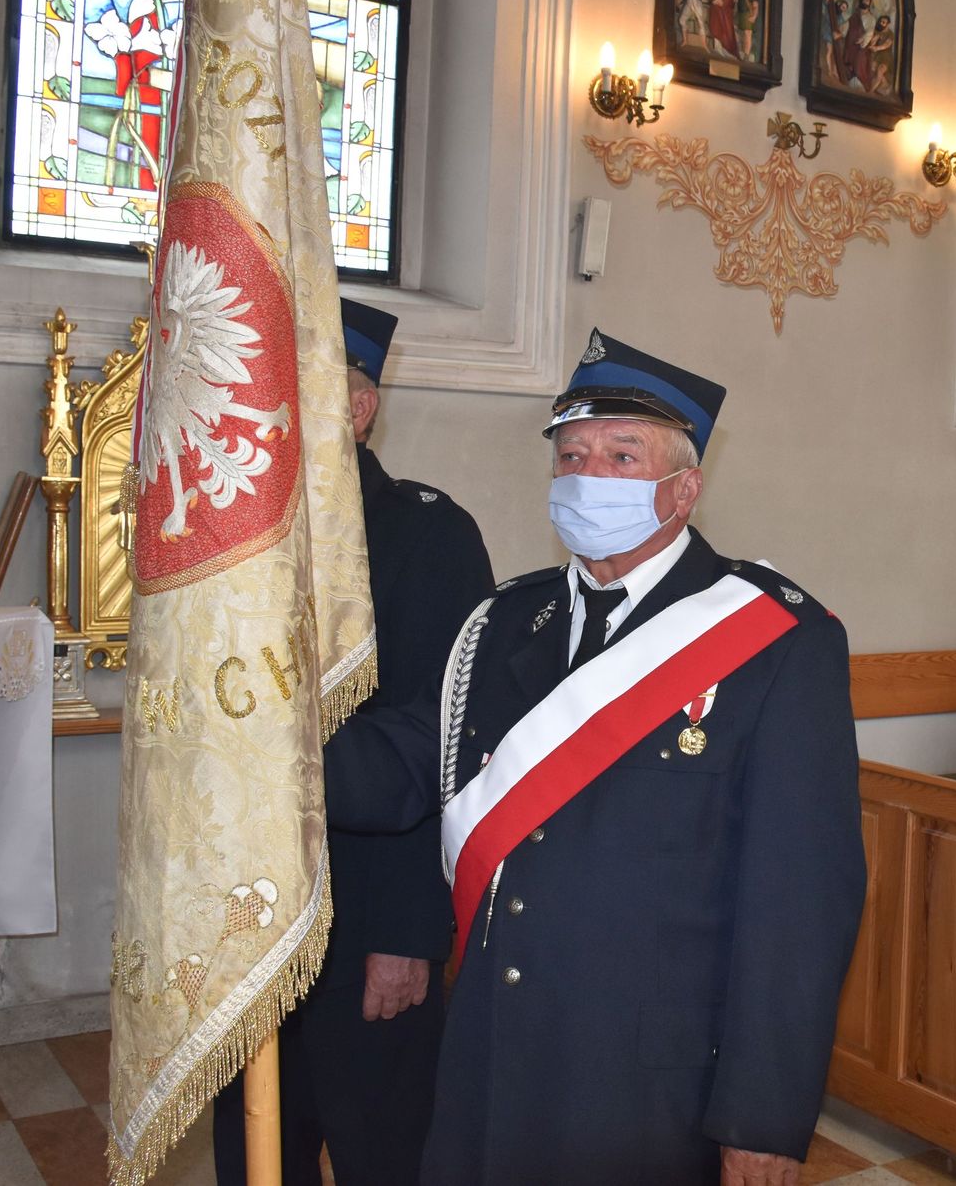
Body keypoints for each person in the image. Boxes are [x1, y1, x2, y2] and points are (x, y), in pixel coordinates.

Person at [320, 330, 865, 1184]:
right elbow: (404, 766)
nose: (588, 476)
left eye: (621, 454)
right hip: (493, 1059)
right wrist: (261, 753)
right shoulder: (503, 623)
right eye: (571, 455)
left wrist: (762, 1116)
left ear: (683, 489)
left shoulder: (774, 642)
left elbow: (797, 908)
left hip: (649, 1089)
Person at [212, 300, 494, 1186]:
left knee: (385, 1157)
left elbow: (443, 743)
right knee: (254, 1156)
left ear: (360, 407)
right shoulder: (233, 538)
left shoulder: (428, 534)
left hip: (367, 928)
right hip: (245, 928)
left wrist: (410, 935)